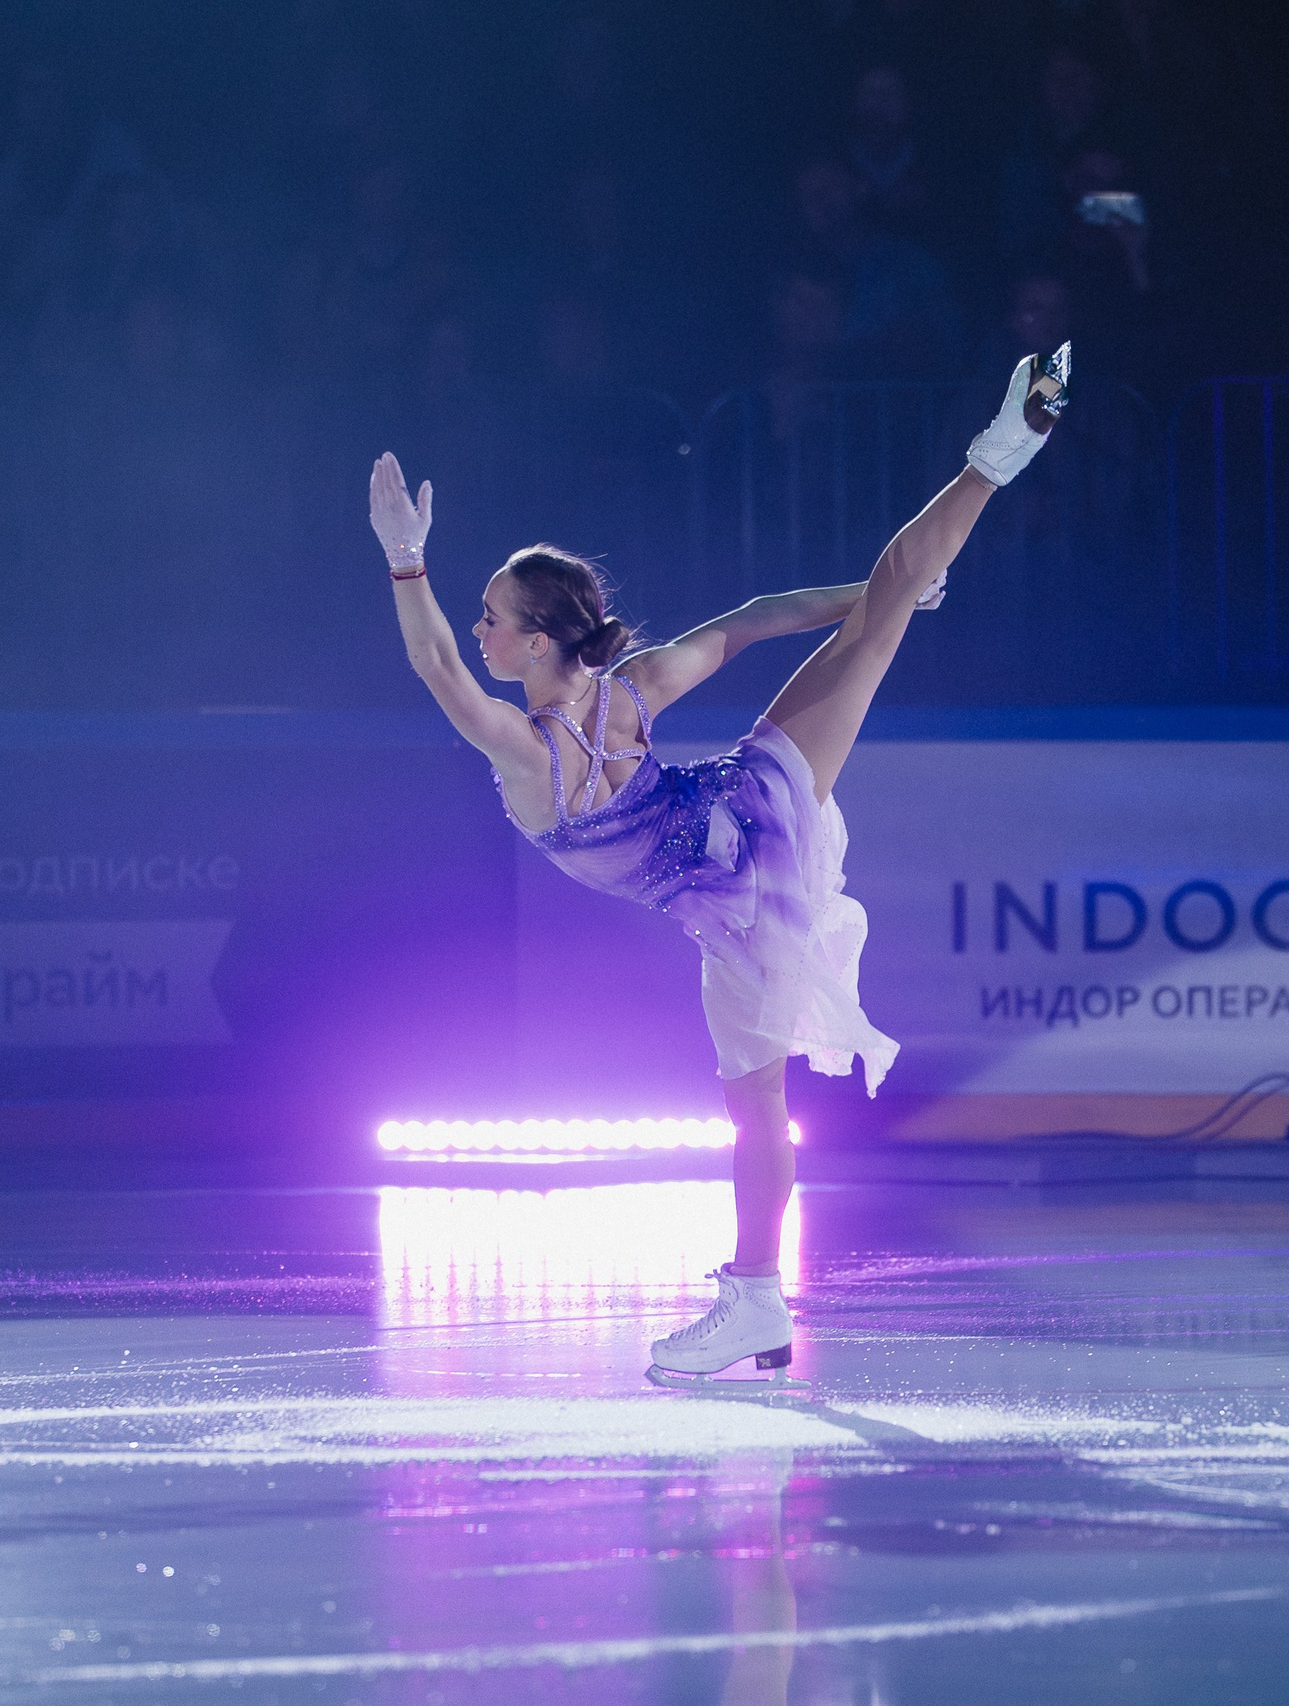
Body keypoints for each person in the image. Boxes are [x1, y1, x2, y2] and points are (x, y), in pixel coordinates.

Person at [370, 349, 1068, 1387]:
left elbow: (432, 664)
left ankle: (753, 1294)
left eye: (491, 617)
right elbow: (747, 622)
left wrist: (405, 561)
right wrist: (873, 598)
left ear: (532, 642)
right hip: (752, 805)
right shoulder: (632, 688)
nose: (477, 631)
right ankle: (998, 451)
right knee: (877, 627)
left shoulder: (532, 752)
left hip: (737, 904)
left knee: (756, 1111)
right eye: (475, 613)